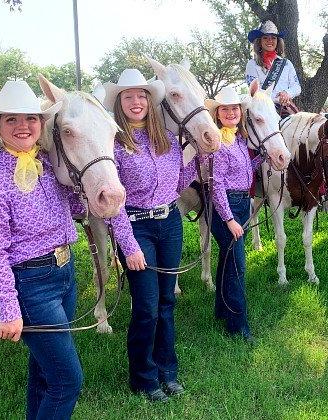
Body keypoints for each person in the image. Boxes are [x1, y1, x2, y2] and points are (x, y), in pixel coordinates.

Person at [0, 80, 84, 419]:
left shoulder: (48, 165)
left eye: (31, 118)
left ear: (41, 124)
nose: (23, 126)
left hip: (65, 272)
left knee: (44, 372)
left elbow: (71, 211)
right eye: (12, 119)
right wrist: (8, 308)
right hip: (32, 285)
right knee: (67, 380)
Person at [102, 69, 197, 402]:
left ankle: (167, 371)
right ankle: (143, 377)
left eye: (141, 95)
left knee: (167, 301)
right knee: (146, 307)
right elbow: (113, 203)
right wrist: (128, 245)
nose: (136, 101)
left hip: (169, 222)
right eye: (128, 96)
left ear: (150, 101)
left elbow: (179, 184)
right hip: (135, 224)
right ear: (119, 103)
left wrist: (197, 155)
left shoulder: (167, 140)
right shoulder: (113, 145)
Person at [203, 86, 262, 342]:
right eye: (225, 109)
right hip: (225, 208)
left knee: (228, 261)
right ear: (217, 114)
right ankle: (238, 326)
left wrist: (261, 160)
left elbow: (241, 172)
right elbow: (216, 184)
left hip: (241, 203)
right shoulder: (216, 141)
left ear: (240, 112)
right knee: (237, 266)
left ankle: (221, 310)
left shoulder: (238, 139)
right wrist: (228, 219)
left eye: (234, 108)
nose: (230, 112)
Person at [245, 20, 301, 115]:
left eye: (273, 38)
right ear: (260, 41)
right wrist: (275, 99)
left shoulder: (287, 63)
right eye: (265, 38)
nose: (270, 41)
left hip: (285, 108)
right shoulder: (252, 64)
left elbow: (296, 87)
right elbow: (254, 91)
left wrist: (287, 93)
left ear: (278, 41)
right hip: (262, 109)